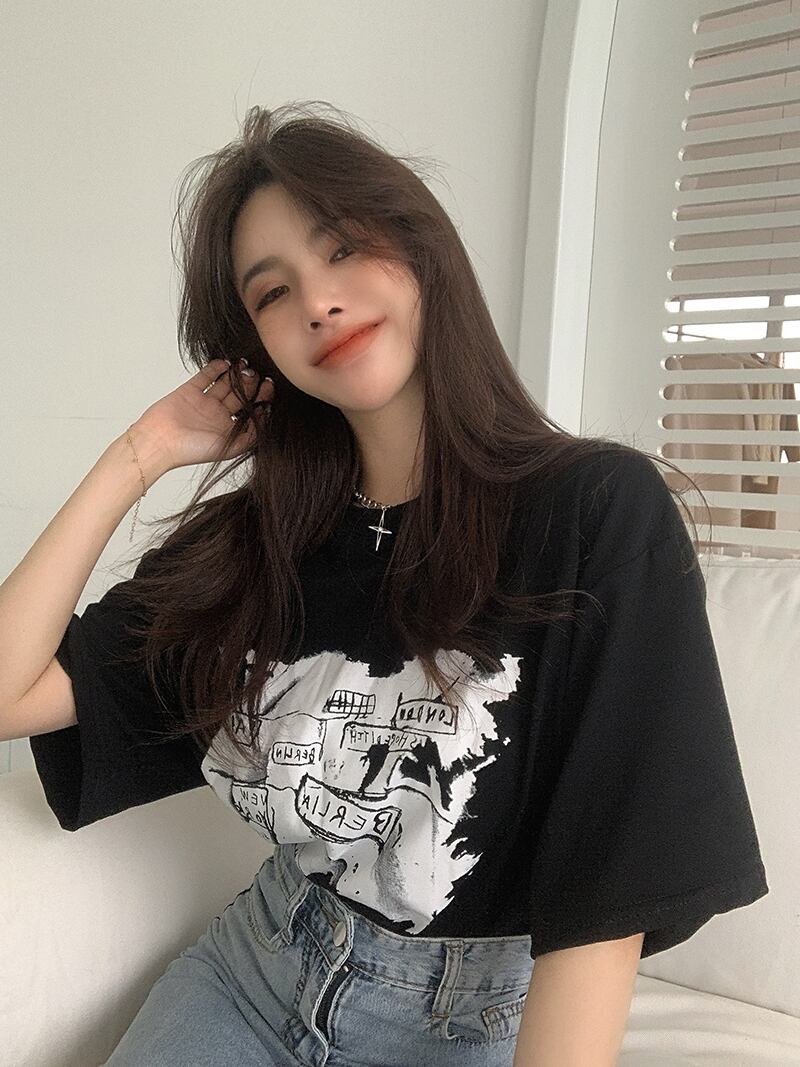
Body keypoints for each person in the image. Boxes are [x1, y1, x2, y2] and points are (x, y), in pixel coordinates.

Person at [1, 101, 769, 1067]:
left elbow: (608, 900)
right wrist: (140, 452)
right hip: (253, 978)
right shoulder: (256, 545)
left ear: (419, 250)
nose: (317, 302)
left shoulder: (592, 510)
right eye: (273, 292)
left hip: (468, 1022)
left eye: (343, 247)